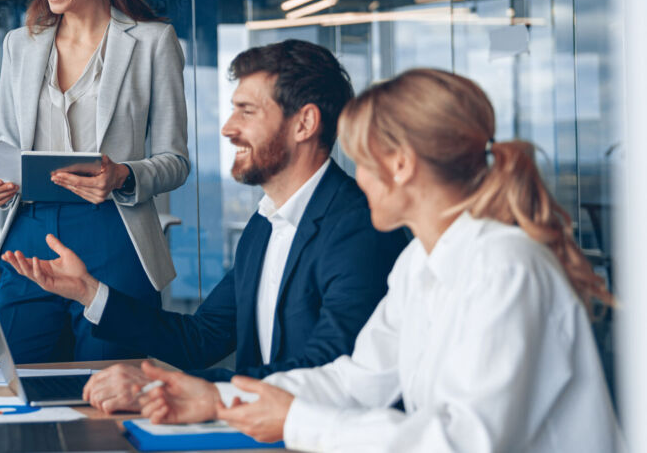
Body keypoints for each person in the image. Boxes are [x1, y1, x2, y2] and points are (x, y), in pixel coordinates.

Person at [137, 69, 622, 452]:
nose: (357, 180)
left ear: (402, 165)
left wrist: (294, 420)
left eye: (363, 162)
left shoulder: (505, 265)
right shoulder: (420, 261)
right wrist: (219, 399)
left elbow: (464, 441)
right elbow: (356, 381)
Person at [3, 39, 408, 413]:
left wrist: (164, 389)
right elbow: (200, 339)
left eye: (247, 111)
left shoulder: (360, 228)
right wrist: (87, 291)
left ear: (304, 124)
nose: (228, 128)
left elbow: (327, 370)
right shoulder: (266, 224)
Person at [0, 0, 189, 364]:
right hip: (30, 232)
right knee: (9, 382)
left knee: (111, 388)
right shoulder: (20, 45)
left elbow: (175, 160)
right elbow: (10, 146)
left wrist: (123, 174)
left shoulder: (153, 42)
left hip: (115, 231)